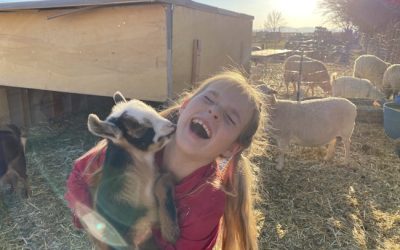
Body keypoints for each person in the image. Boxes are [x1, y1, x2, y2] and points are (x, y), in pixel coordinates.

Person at [65, 69, 268, 250]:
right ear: (185, 105)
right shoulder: (135, 145)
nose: (214, 111)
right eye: (209, 99)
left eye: (230, 118)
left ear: (231, 148)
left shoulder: (206, 202)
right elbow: (79, 175)